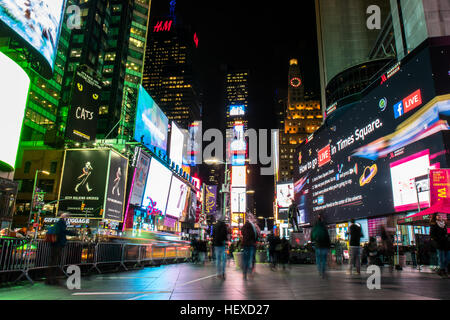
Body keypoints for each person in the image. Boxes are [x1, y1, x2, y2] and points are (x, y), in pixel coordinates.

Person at [46, 213, 77, 285]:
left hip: (57, 243)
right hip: (58, 244)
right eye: (68, 217)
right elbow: (63, 232)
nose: (68, 219)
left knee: (54, 261)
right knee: (55, 261)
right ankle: (52, 279)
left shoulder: (60, 223)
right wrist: (73, 233)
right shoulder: (61, 223)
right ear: (65, 217)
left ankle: (52, 279)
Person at [311, 214, 331, 279]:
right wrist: (329, 246)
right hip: (324, 246)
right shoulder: (324, 227)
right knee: (324, 260)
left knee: (318, 259)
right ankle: (323, 271)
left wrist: (313, 243)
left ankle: (320, 271)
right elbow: (327, 237)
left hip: (318, 246)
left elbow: (312, 237)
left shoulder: (315, 228)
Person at [430, 213, 449, 278]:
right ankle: (442, 271)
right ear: (435, 217)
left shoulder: (444, 224)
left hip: (446, 244)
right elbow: (432, 235)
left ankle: (443, 270)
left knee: (448, 258)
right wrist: (438, 240)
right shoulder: (434, 225)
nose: (440, 216)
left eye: (441, 215)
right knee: (442, 258)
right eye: (438, 215)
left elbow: (446, 234)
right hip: (440, 244)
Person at [241, 215, 258, 280]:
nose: (253, 219)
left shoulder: (244, 226)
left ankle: (245, 273)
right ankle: (249, 273)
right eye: (252, 218)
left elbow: (242, 232)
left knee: (245, 259)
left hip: (245, 244)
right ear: (249, 219)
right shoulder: (252, 226)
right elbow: (254, 235)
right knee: (250, 259)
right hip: (250, 244)